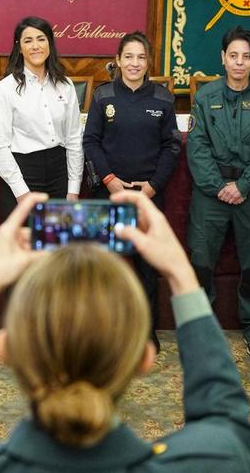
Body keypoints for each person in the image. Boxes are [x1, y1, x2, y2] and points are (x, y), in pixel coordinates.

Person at [0, 191, 250, 472]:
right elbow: (224, 418)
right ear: (146, 357)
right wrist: (181, 273)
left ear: (5, 349)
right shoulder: (220, 459)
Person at [186, 26, 250, 359]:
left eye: (246, 57)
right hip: (210, 193)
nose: (239, 63)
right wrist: (219, 187)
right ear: (223, 59)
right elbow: (196, 148)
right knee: (201, 263)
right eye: (233, 56)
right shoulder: (204, 97)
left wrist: (243, 186)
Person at [83, 31, 181, 352]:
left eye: (141, 57)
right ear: (118, 60)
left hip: (147, 197)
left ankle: (145, 331)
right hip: (108, 192)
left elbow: (171, 146)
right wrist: (109, 179)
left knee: (145, 269)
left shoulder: (164, 98)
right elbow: (91, 142)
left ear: (148, 61)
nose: (134, 63)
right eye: (129, 57)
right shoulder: (103, 96)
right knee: (103, 268)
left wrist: (153, 186)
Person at [0, 16, 83, 219]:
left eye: (41, 39)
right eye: (28, 40)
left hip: (59, 175)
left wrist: (73, 188)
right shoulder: (5, 89)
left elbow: (74, 139)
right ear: (19, 48)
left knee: (57, 246)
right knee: (24, 246)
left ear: (50, 43)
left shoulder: (65, 85)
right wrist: (22, 192)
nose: (35, 46)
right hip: (23, 175)